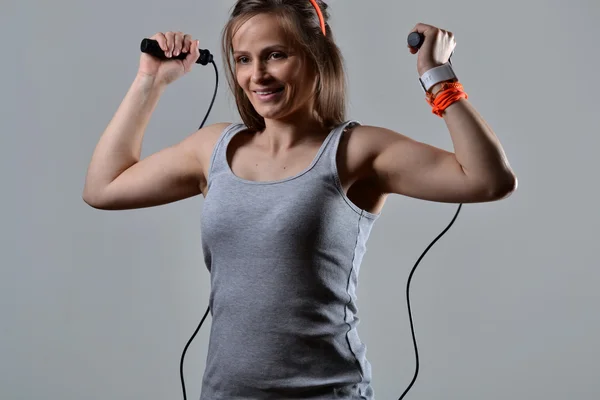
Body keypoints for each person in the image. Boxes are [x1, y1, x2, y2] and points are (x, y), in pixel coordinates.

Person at [83, 1, 517, 398]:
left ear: (317, 55)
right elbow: (103, 187)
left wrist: (437, 75)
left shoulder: (355, 150)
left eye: (276, 54)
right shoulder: (212, 148)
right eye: (243, 59)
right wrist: (150, 81)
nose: (258, 75)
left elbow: (487, 180)